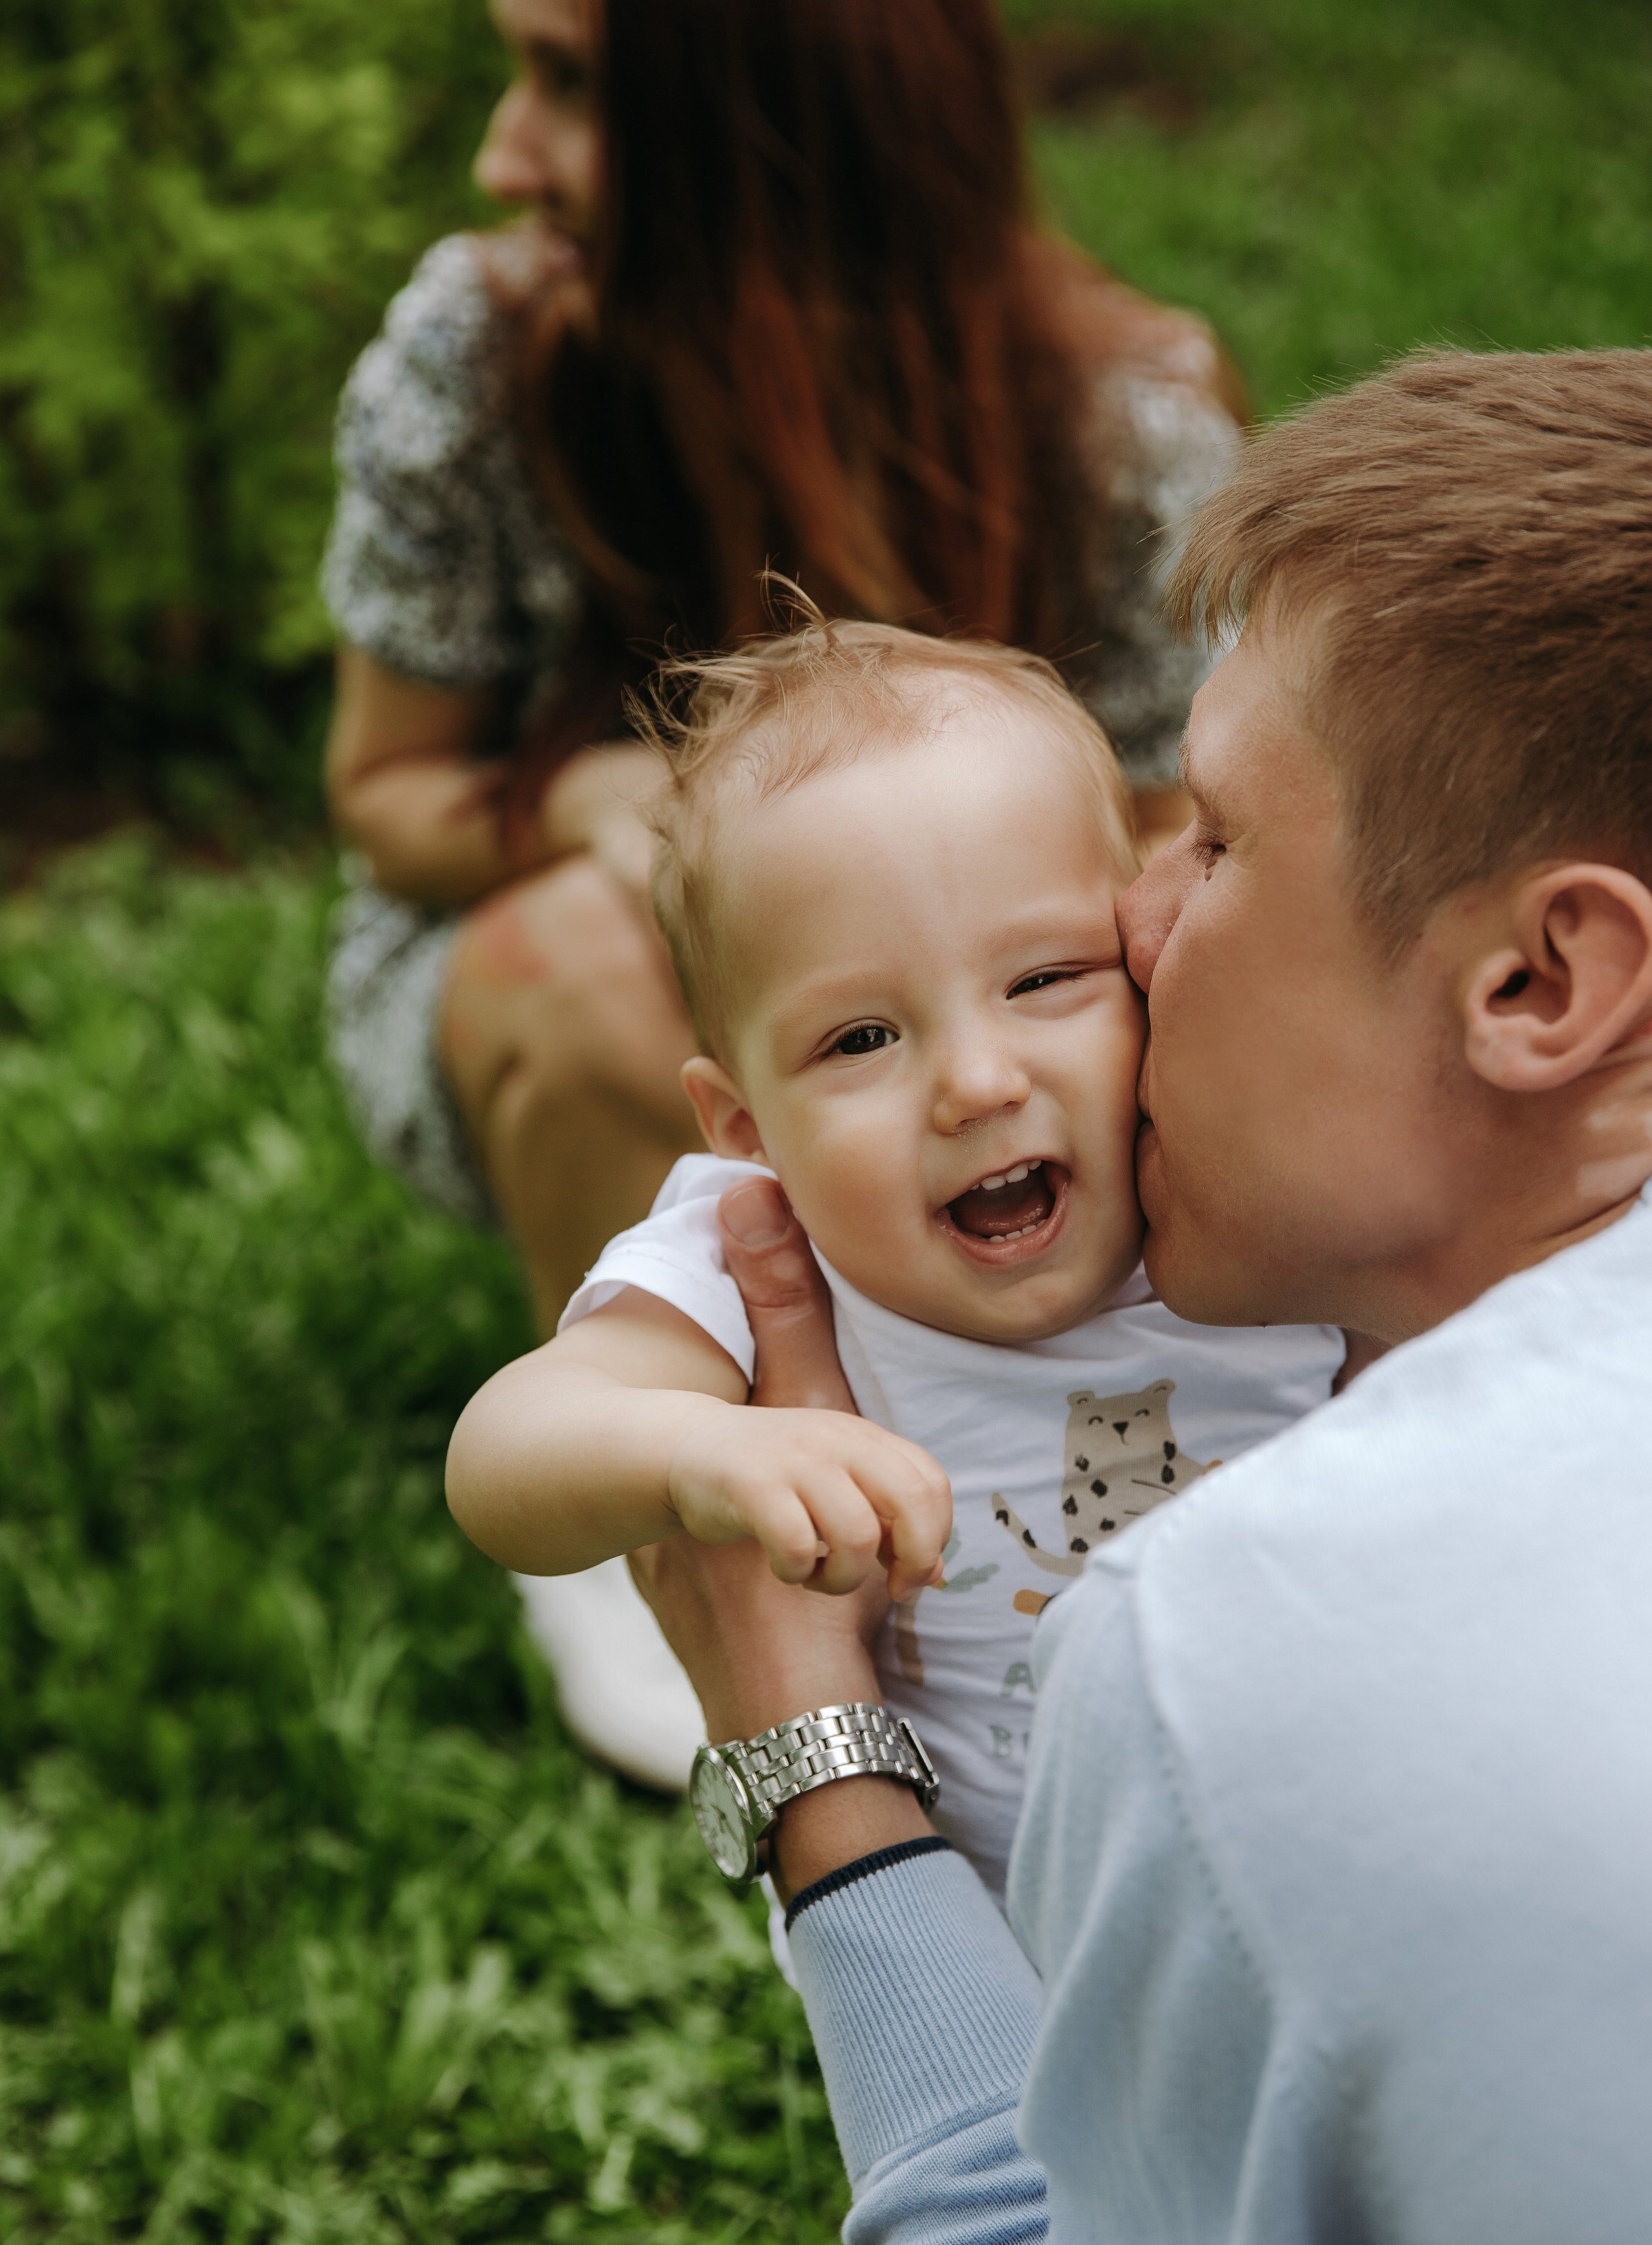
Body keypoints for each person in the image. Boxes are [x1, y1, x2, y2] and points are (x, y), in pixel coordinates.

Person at [317, 345, 1652, 2245]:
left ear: (1549, 972)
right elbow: (525, 1437)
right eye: (865, 1032)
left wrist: (815, 1766)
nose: (1153, 941)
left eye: (1206, 846)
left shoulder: (1292, 1627)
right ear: (743, 1102)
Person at [319, 0, 1248, 1781]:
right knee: (592, 959)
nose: (503, 157)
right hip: (572, 948)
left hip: (1015, 978)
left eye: (573, 85)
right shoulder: (487, 348)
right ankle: (667, 1527)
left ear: (785, 121)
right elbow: (388, 798)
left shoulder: (1118, 416)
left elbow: (1181, 857)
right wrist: (569, 802)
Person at [445, 619, 1344, 1899]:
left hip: (1329, 1857)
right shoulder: (762, 1246)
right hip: (986, 1928)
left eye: (1045, 978)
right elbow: (501, 1460)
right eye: (862, 1039)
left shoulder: (1240, 1157)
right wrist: (709, 1451)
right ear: (746, 1125)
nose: (979, 1082)